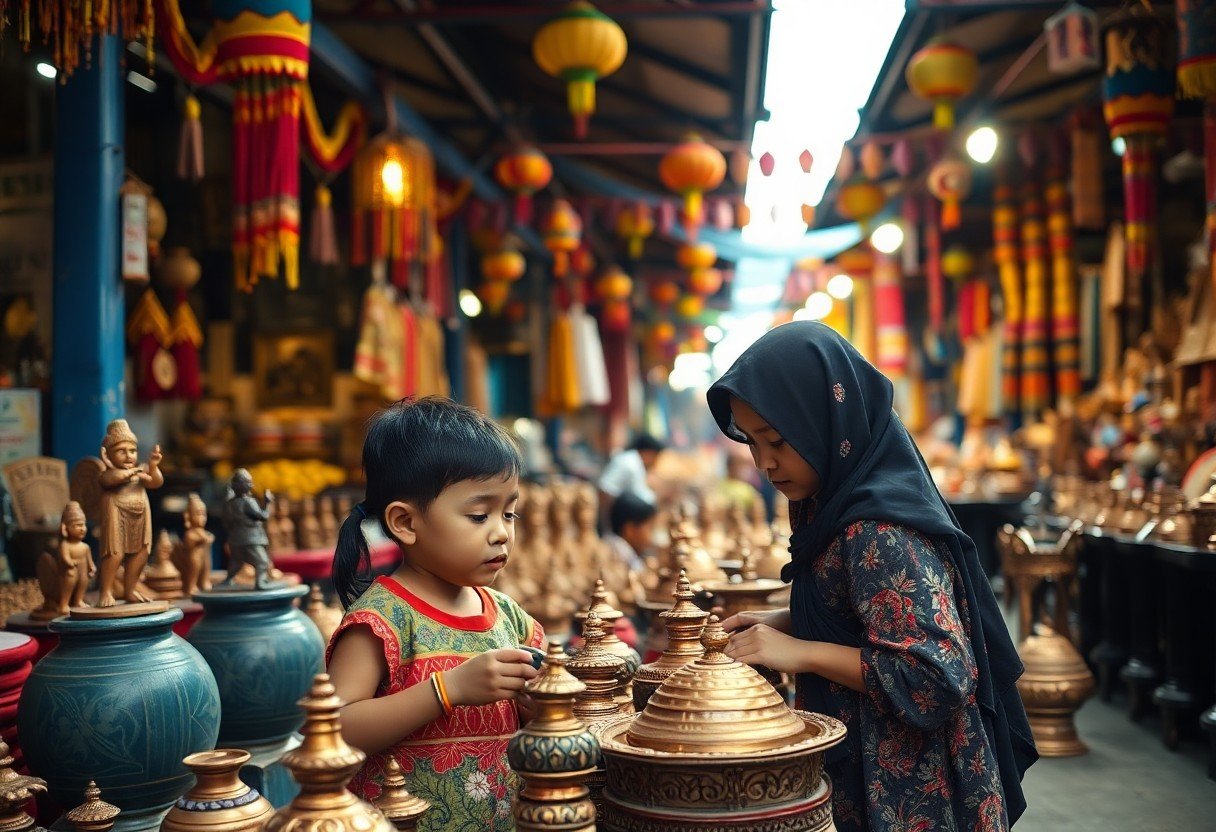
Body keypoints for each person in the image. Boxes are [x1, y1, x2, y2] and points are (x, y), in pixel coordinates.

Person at [707, 322, 1037, 832]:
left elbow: (936, 676)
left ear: (826, 421)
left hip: (917, 790)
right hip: (876, 768)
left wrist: (800, 652)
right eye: (751, 442)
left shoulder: (878, 529)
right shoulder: (833, 504)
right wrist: (790, 618)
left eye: (776, 440)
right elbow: (869, 613)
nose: (764, 463)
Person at [326, 398, 545, 831]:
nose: (501, 532)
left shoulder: (510, 619)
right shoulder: (382, 621)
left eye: (509, 512)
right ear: (406, 522)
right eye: (479, 515)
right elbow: (335, 728)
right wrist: (447, 690)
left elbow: (535, 720)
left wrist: (539, 706)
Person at [597, 434, 665, 527]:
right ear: (648, 453)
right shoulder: (629, 463)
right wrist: (607, 527)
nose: (655, 462)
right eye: (655, 457)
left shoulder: (635, 463)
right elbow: (605, 489)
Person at [605, 492, 658, 573]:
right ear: (630, 530)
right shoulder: (620, 554)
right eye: (650, 528)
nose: (652, 536)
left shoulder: (629, 553)